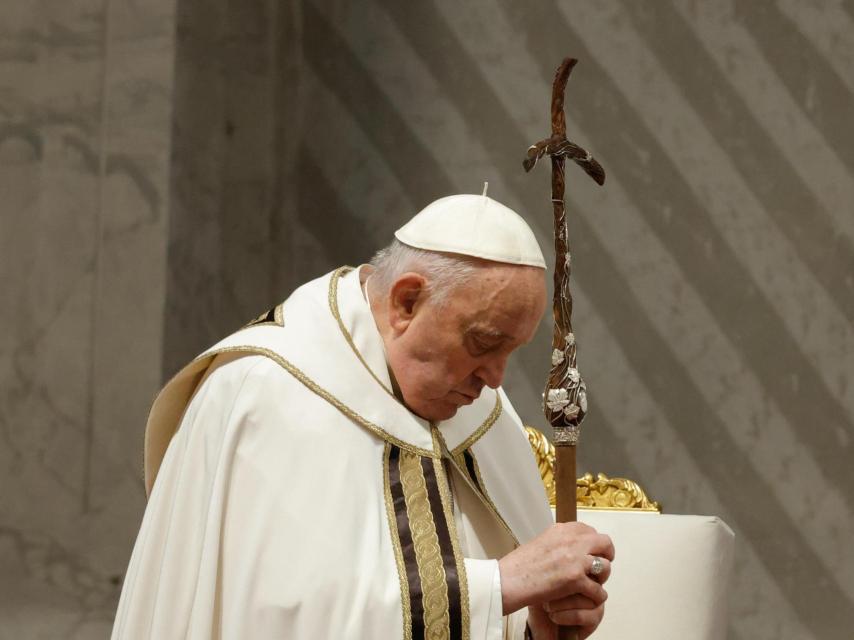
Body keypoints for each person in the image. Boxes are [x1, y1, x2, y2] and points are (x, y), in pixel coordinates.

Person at [111, 193, 614, 639]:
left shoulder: (481, 413)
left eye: (512, 351)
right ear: (406, 301)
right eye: (483, 343)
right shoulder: (267, 396)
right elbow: (280, 620)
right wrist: (501, 586)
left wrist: (532, 628)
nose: (497, 379)